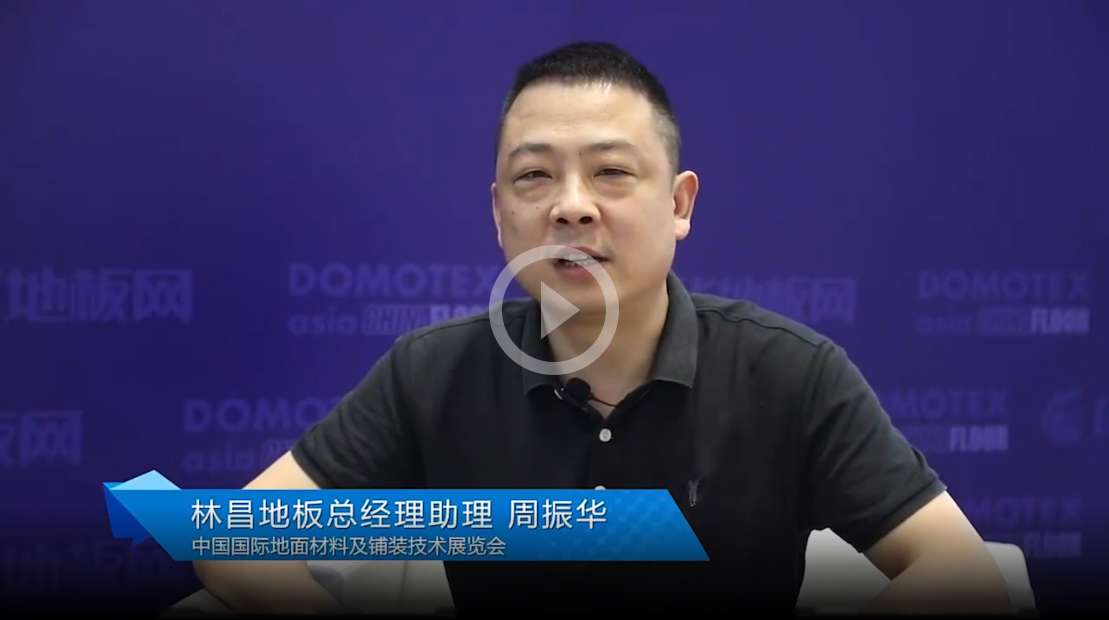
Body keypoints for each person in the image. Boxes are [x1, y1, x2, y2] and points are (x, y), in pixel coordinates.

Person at [194, 41, 1011, 615]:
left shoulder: (790, 373)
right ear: (499, 214)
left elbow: (959, 570)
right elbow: (232, 538)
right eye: (534, 176)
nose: (571, 206)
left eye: (612, 172)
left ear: (679, 204)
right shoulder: (433, 373)